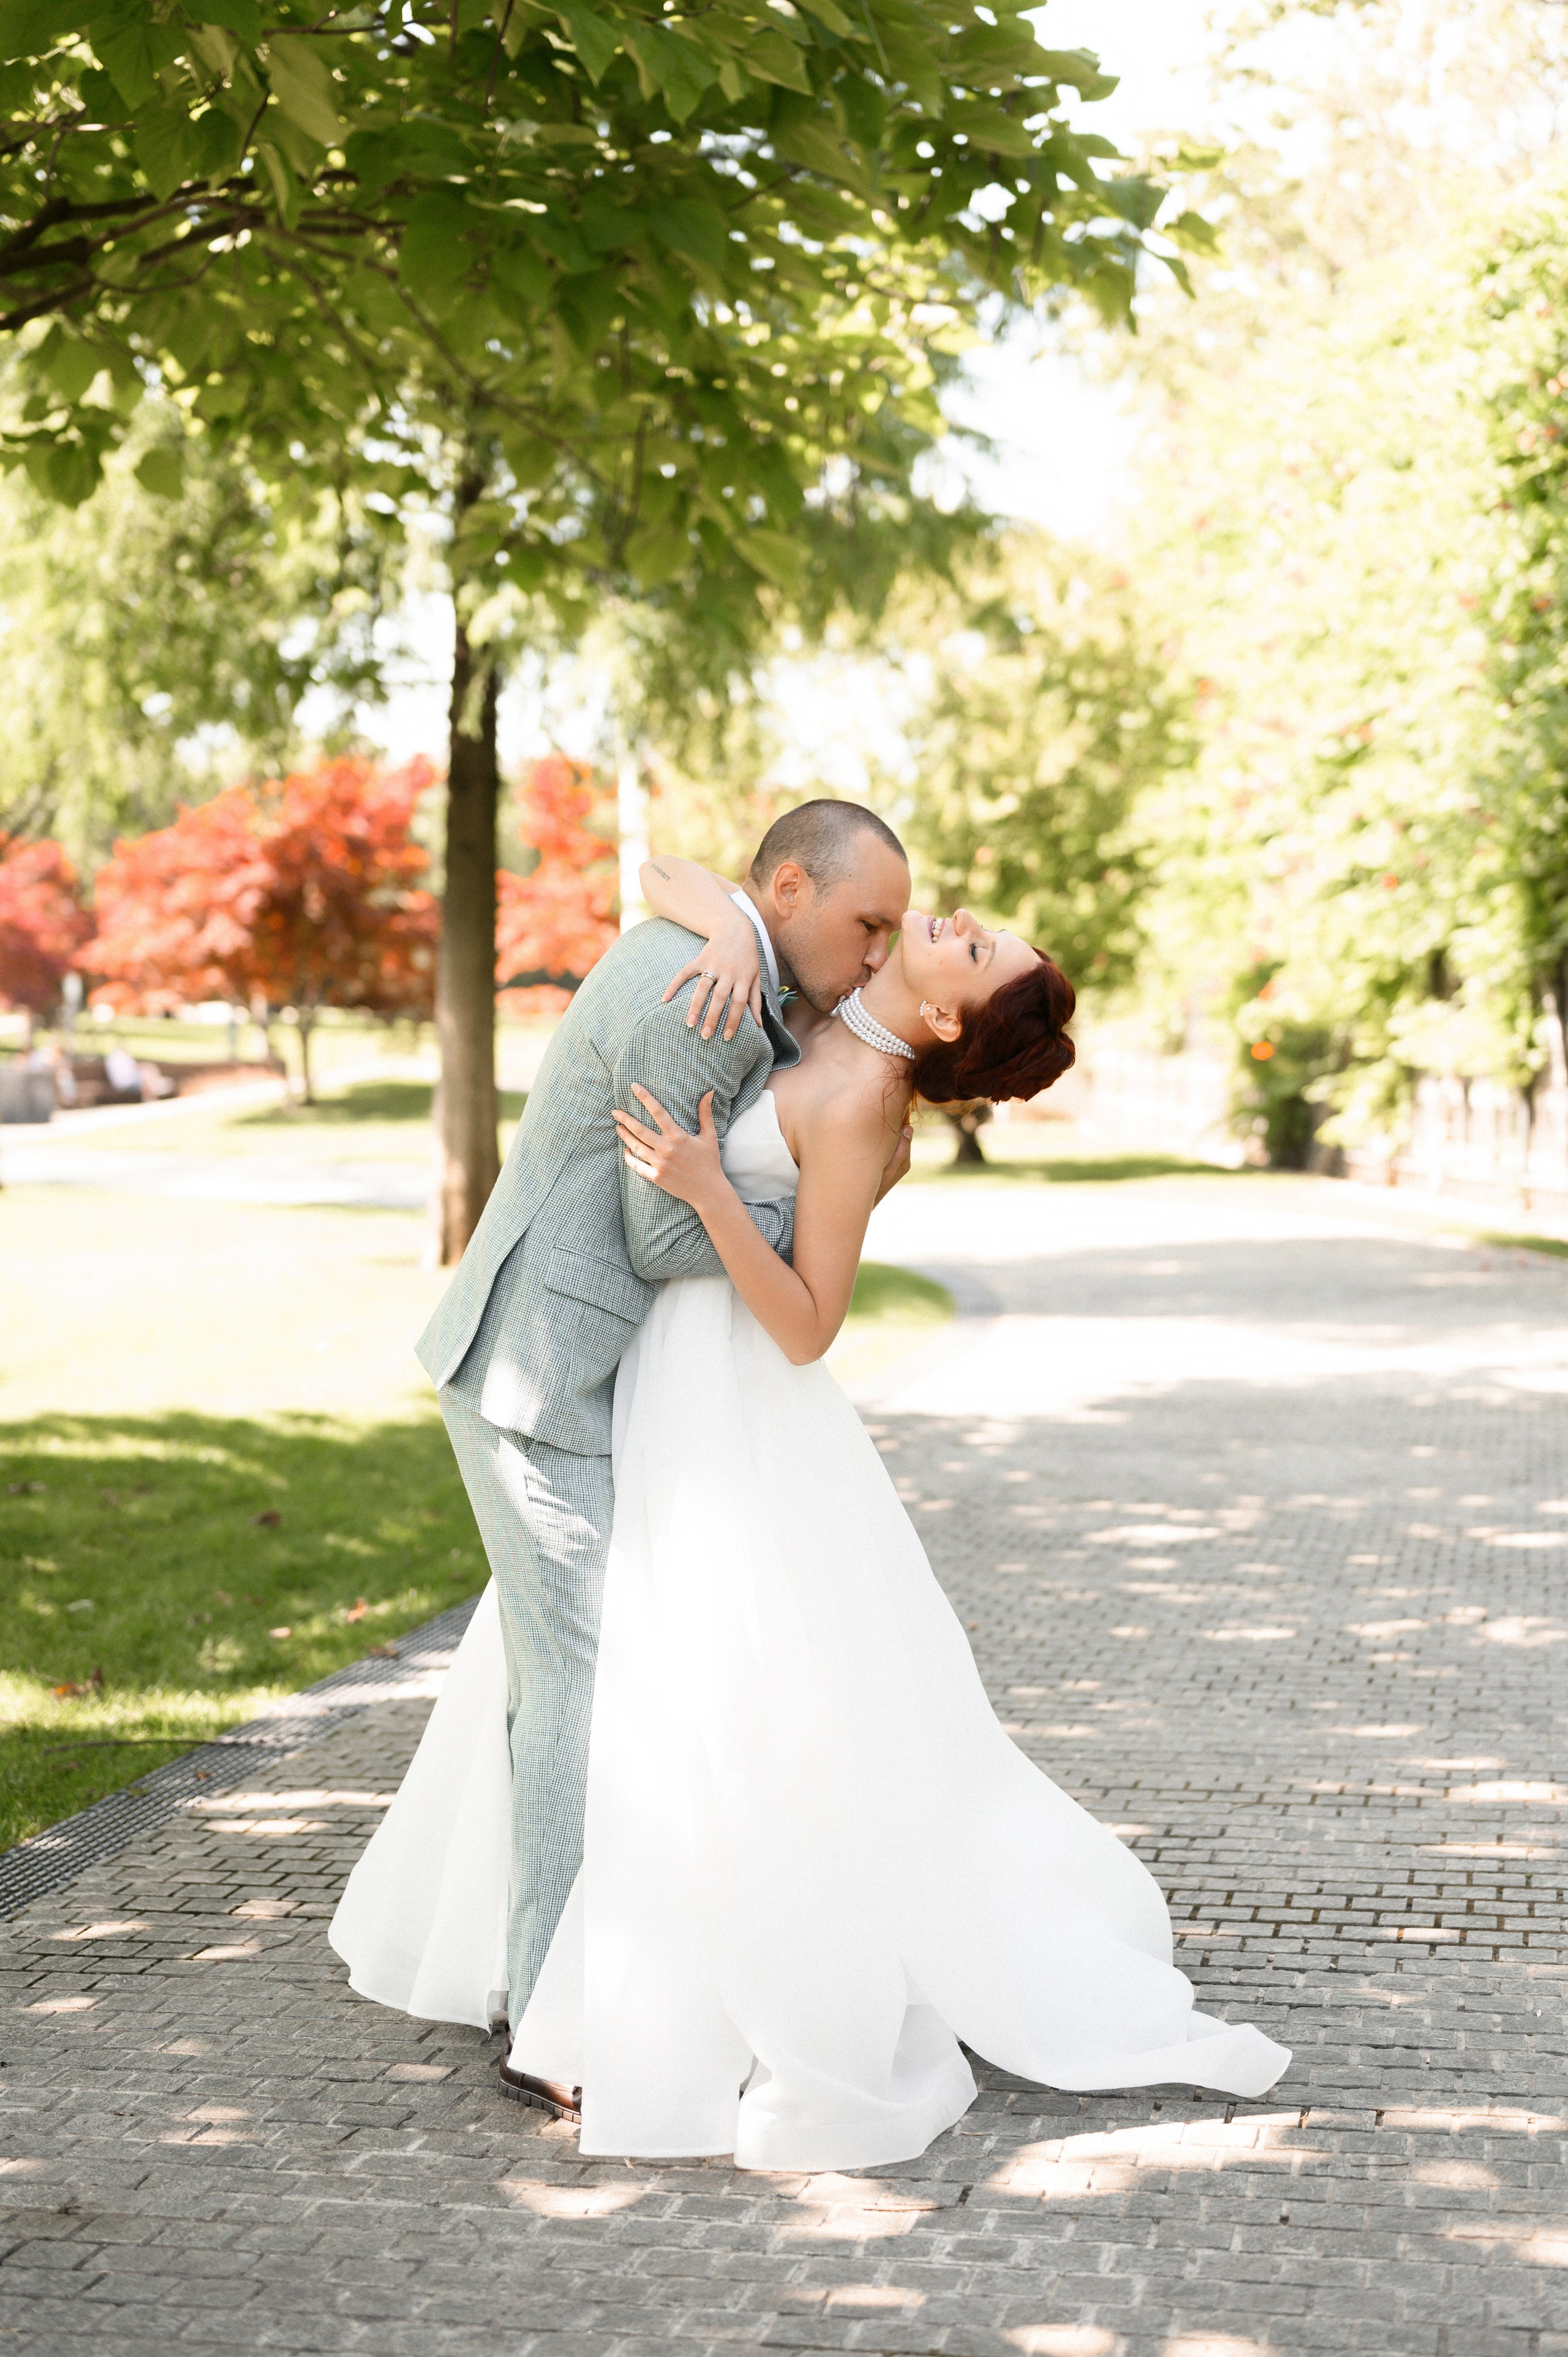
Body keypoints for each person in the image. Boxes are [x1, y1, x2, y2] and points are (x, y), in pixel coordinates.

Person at [330, 837, 1291, 2172]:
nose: (943, 919)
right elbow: (678, 873)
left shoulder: (861, 1106)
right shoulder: (803, 1010)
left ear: (947, 1012)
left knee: (669, 1691)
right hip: (653, 1388)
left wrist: (713, 1193)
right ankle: (552, 1967)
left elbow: (807, 1324)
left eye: (961, 939)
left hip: (730, 1392)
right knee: (607, 1676)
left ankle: (593, 1997)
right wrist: (729, 921)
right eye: (936, 915)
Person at [353, 802, 912, 2105]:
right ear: (783, 886)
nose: (877, 950)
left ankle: (521, 1967)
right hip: (529, 1376)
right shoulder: (698, 998)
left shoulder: (726, 955)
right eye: (864, 921)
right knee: (582, 1686)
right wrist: (807, 1192)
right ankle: (549, 2018)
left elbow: (680, 882)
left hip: (554, 1365)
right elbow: (661, 1241)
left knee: (552, 1679)